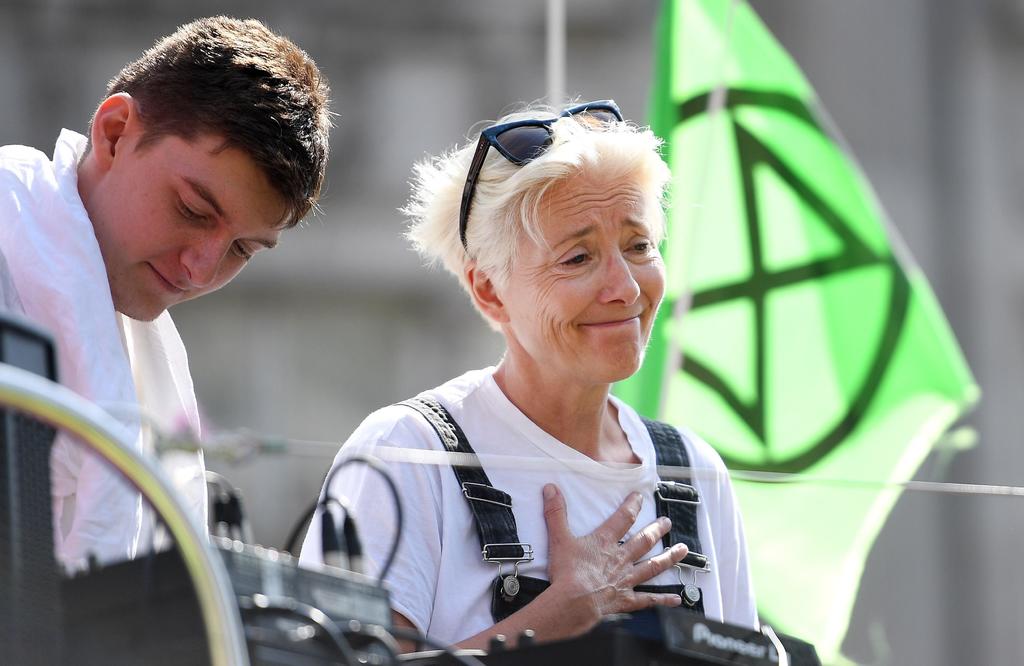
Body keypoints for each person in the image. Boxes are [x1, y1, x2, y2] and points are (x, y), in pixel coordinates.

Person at [300, 99, 756, 649]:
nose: (626, 288)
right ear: (489, 291)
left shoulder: (695, 473)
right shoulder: (408, 453)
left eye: (639, 246)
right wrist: (552, 621)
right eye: (578, 258)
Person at [0, 16, 331, 568]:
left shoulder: (145, 351)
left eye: (241, 249)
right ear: (114, 133)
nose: (200, 271)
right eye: (192, 210)